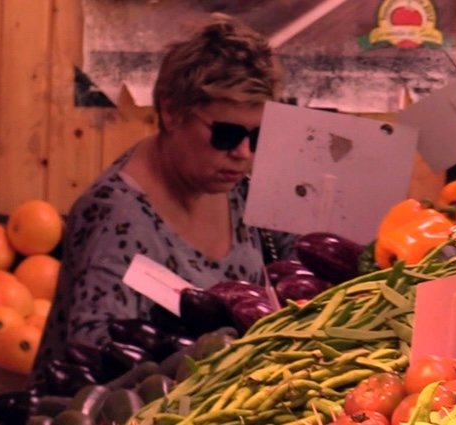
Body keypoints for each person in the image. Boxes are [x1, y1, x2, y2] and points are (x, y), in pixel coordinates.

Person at [32, 13, 297, 380]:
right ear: (172, 112)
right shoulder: (114, 219)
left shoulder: (237, 187)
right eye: (225, 134)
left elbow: (297, 264)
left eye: (257, 137)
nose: (243, 153)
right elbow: (94, 360)